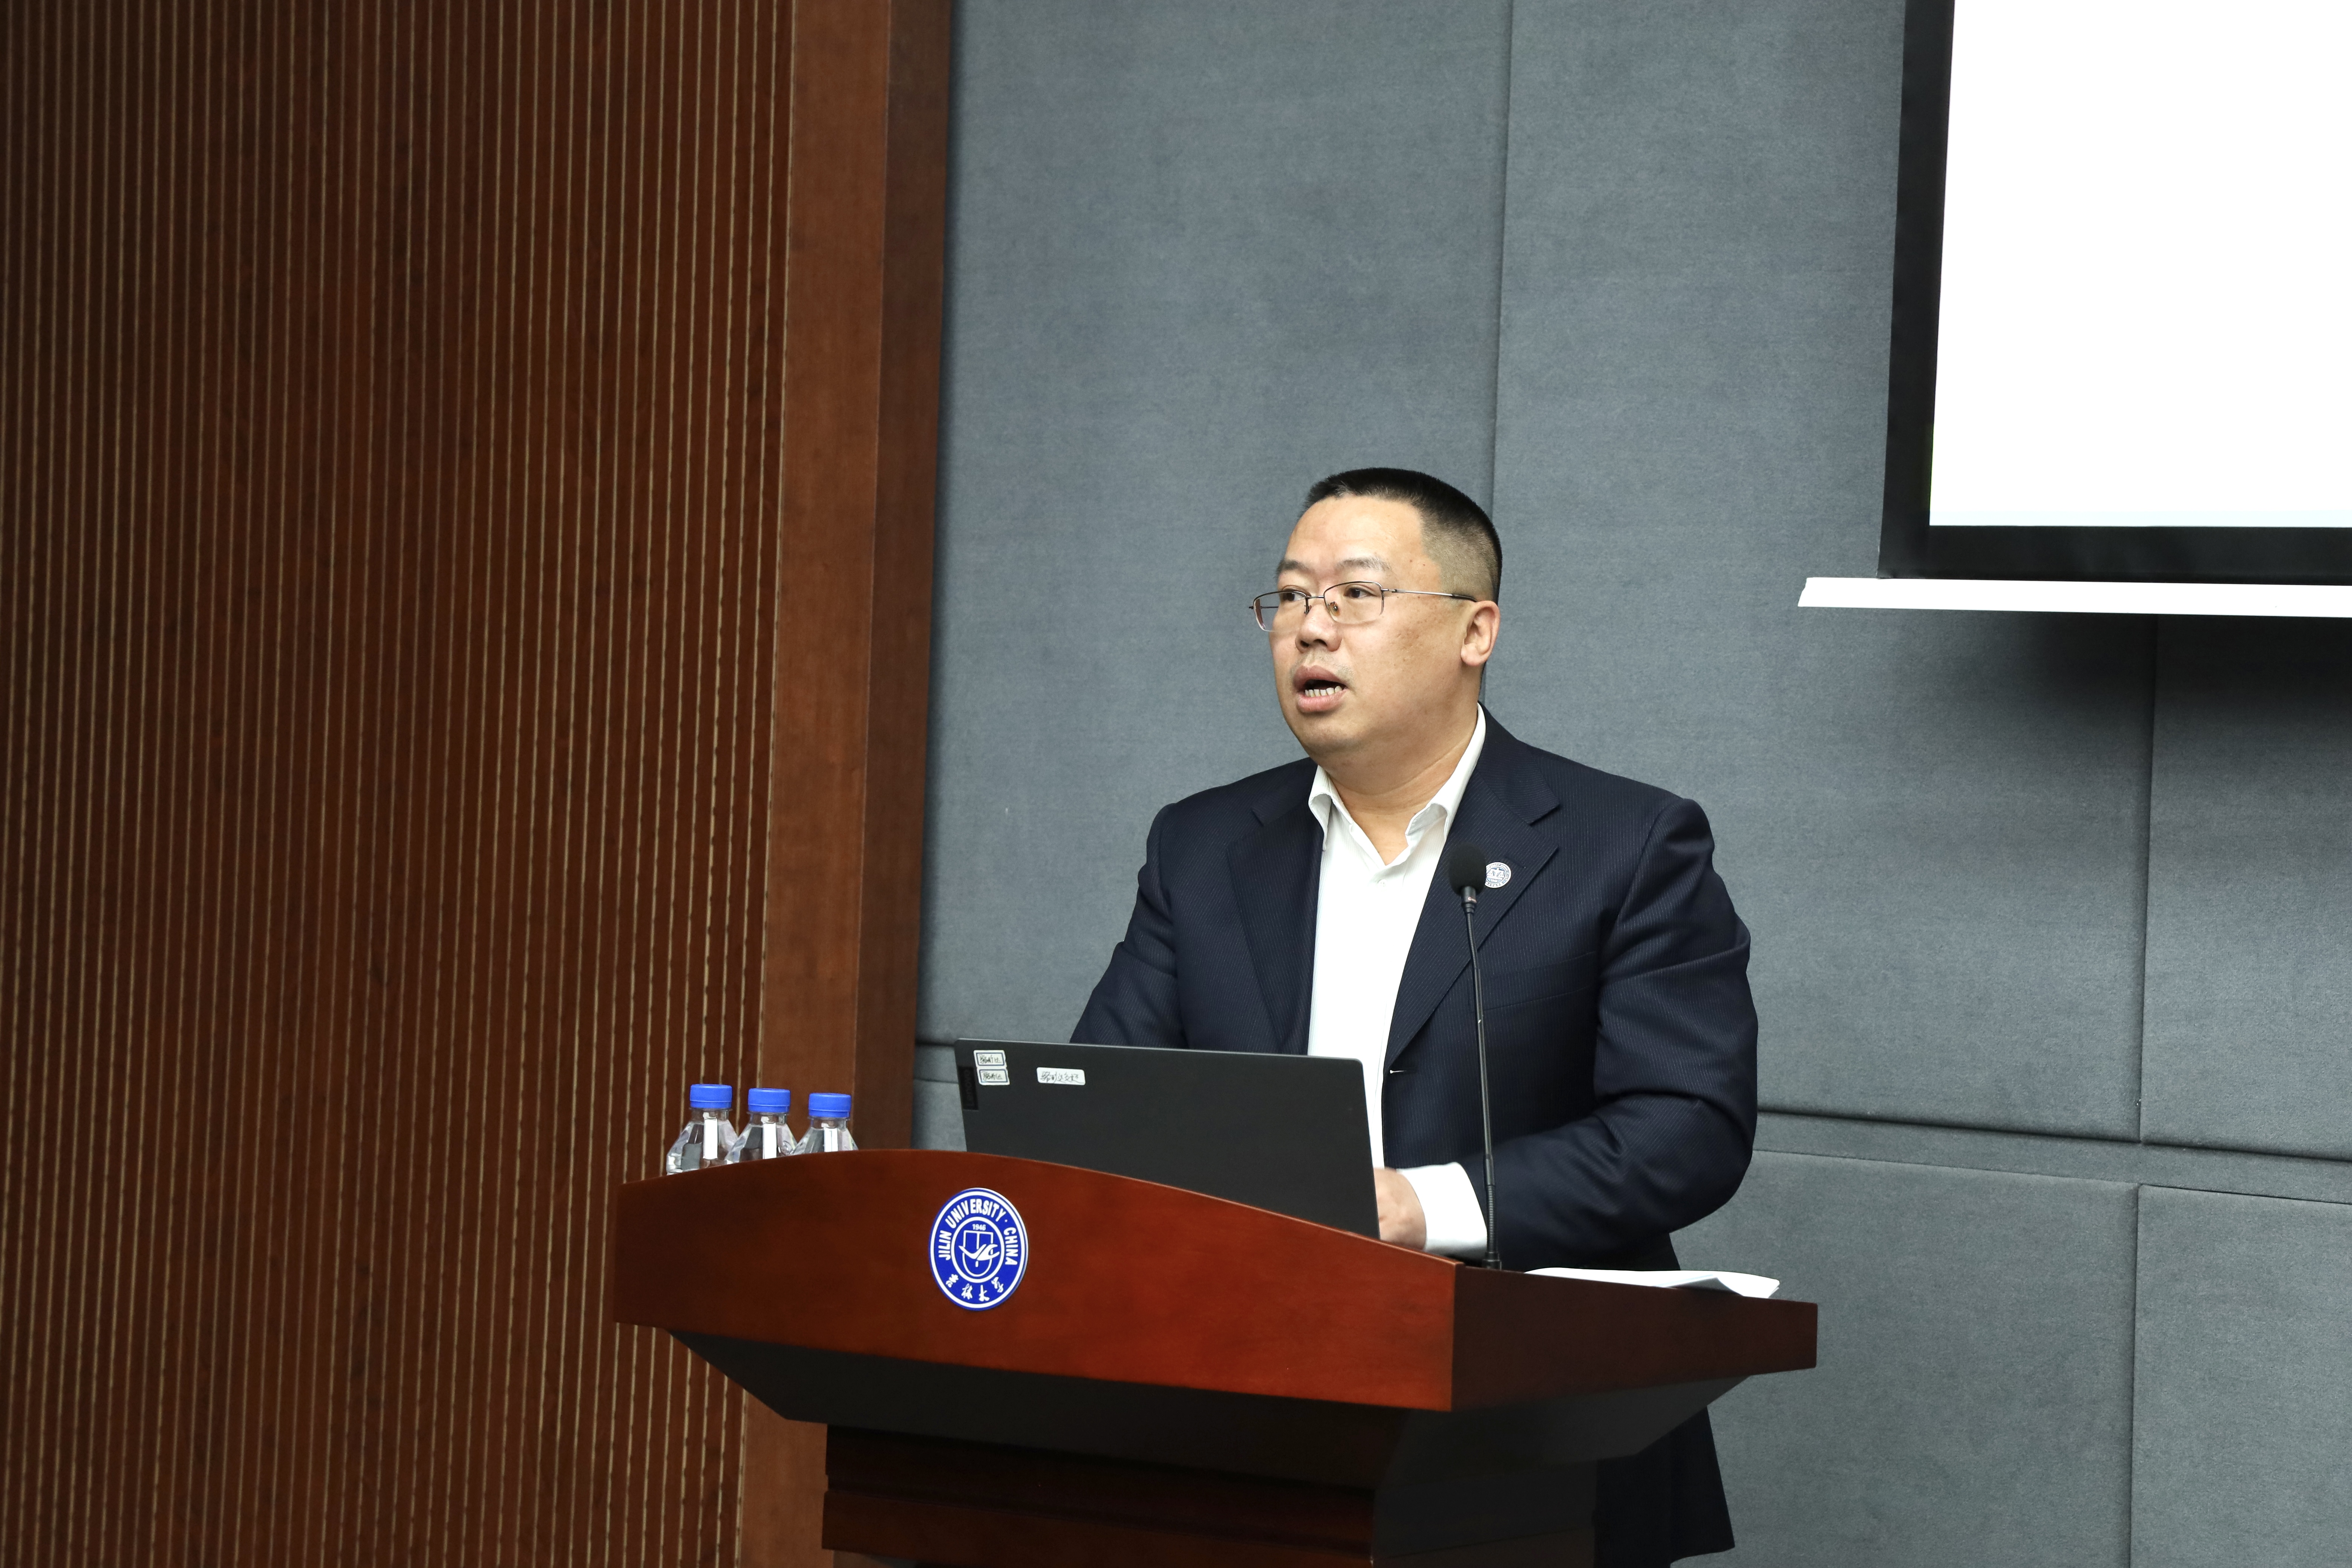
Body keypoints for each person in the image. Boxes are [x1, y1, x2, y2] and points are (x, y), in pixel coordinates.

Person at [1073, 467, 1758, 1566]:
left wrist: (1419, 1208)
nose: (1312, 629)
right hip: (1240, 1415)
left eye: (1356, 595)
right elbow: (1104, 1107)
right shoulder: (1202, 846)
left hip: (1532, 1436)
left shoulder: (1625, 845)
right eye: (1289, 597)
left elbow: (1687, 1129)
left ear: (1474, 631)